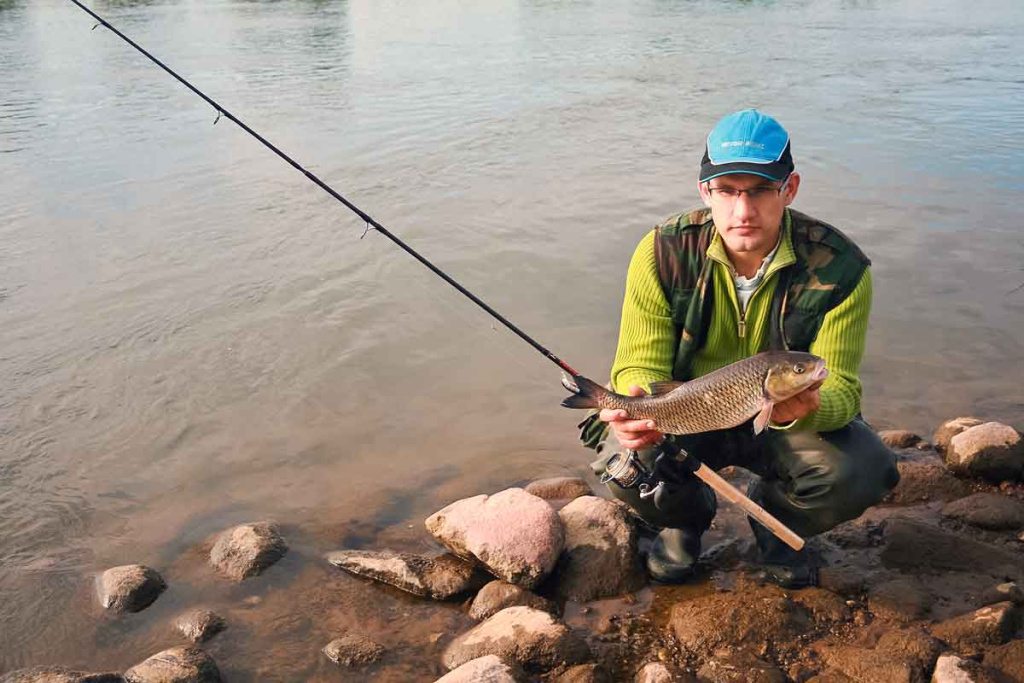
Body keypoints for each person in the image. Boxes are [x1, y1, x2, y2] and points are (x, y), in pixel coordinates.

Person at [579, 109, 899, 588]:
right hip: (687, 411)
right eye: (727, 191)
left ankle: (776, 521)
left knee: (863, 471)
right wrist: (634, 399)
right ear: (705, 191)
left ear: (790, 189)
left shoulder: (841, 267)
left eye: (761, 190)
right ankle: (684, 521)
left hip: (780, 419)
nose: (743, 211)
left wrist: (809, 406)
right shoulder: (662, 251)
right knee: (621, 463)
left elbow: (844, 390)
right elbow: (638, 363)